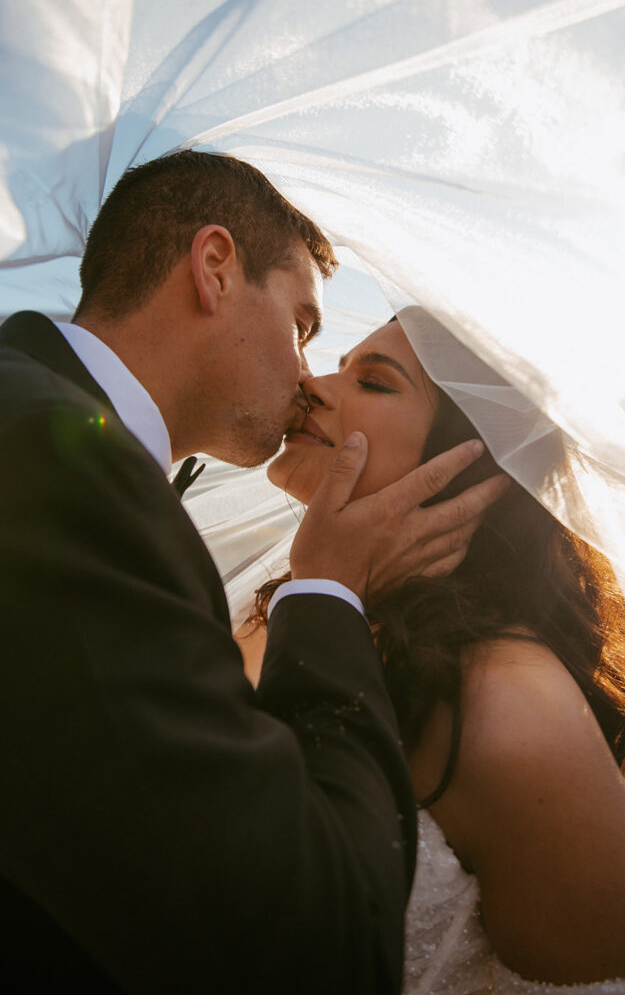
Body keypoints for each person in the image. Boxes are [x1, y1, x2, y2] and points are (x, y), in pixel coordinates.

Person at [0, 152, 506, 994]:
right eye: (303, 326)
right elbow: (318, 947)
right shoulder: (55, 470)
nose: (308, 381)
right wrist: (327, 590)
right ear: (214, 270)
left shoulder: (20, 421)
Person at [241, 315, 625, 992]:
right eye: (339, 363)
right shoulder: (288, 611)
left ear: (468, 463)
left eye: (373, 382)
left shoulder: (513, 711)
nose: (310, 384)